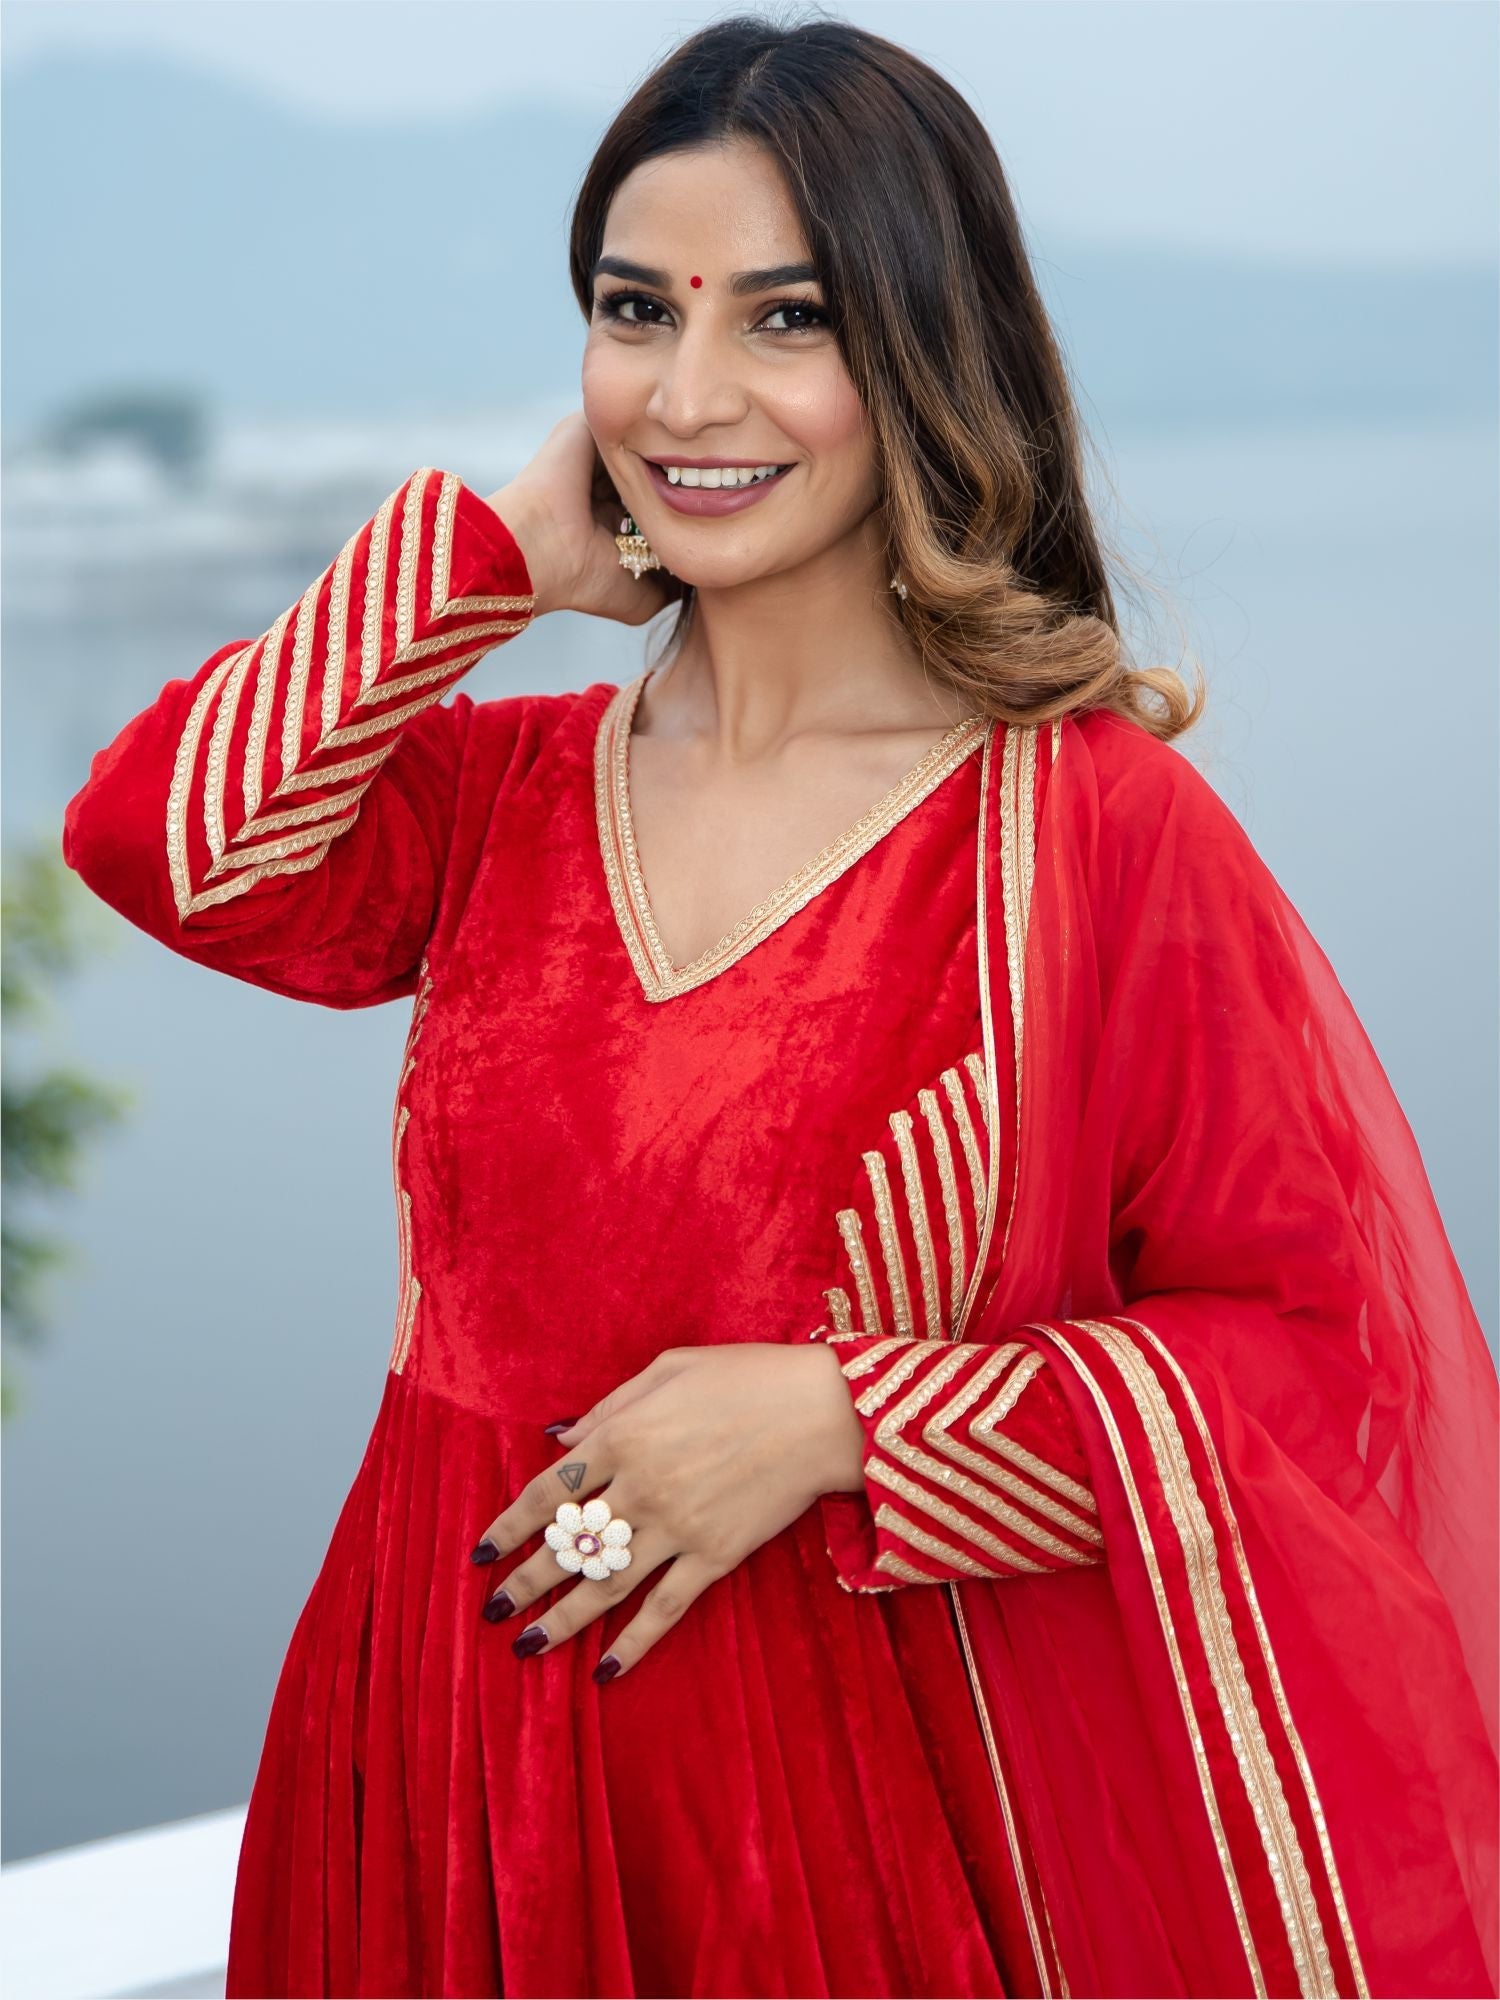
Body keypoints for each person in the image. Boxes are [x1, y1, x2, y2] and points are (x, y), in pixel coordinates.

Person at [60, 15, 1497, 1999]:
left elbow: (1315, 1364)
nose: (690, 391)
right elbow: (161, 840)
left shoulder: (1084, 838)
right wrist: (490, 557)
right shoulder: (508, 803)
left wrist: (842, 1416)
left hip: (826, 1822)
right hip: (434, 1754)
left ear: (920, 351)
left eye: (788, 318)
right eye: (636, 311)